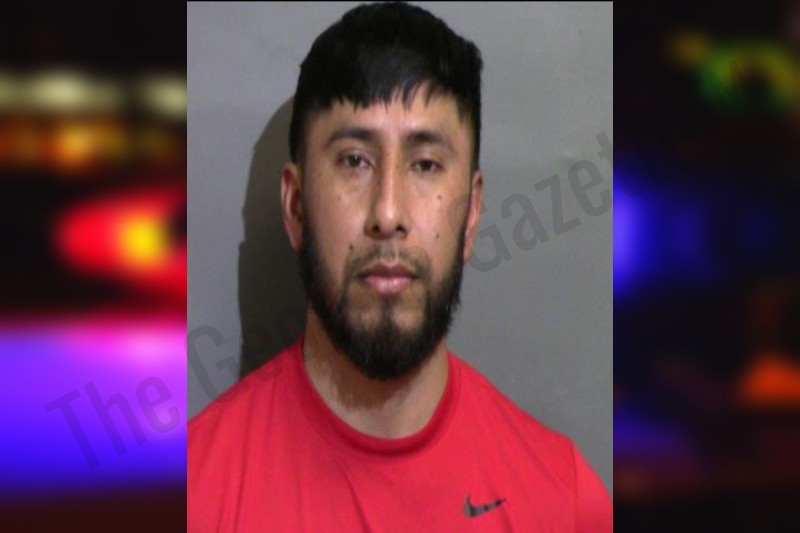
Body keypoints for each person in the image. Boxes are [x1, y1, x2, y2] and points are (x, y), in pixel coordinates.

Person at [188, 2, 612, 531]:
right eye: (354, 161)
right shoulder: (193, 497)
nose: (388, 213)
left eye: (425, 164)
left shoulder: (564, 504)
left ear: (471, 215)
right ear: (296, 207)